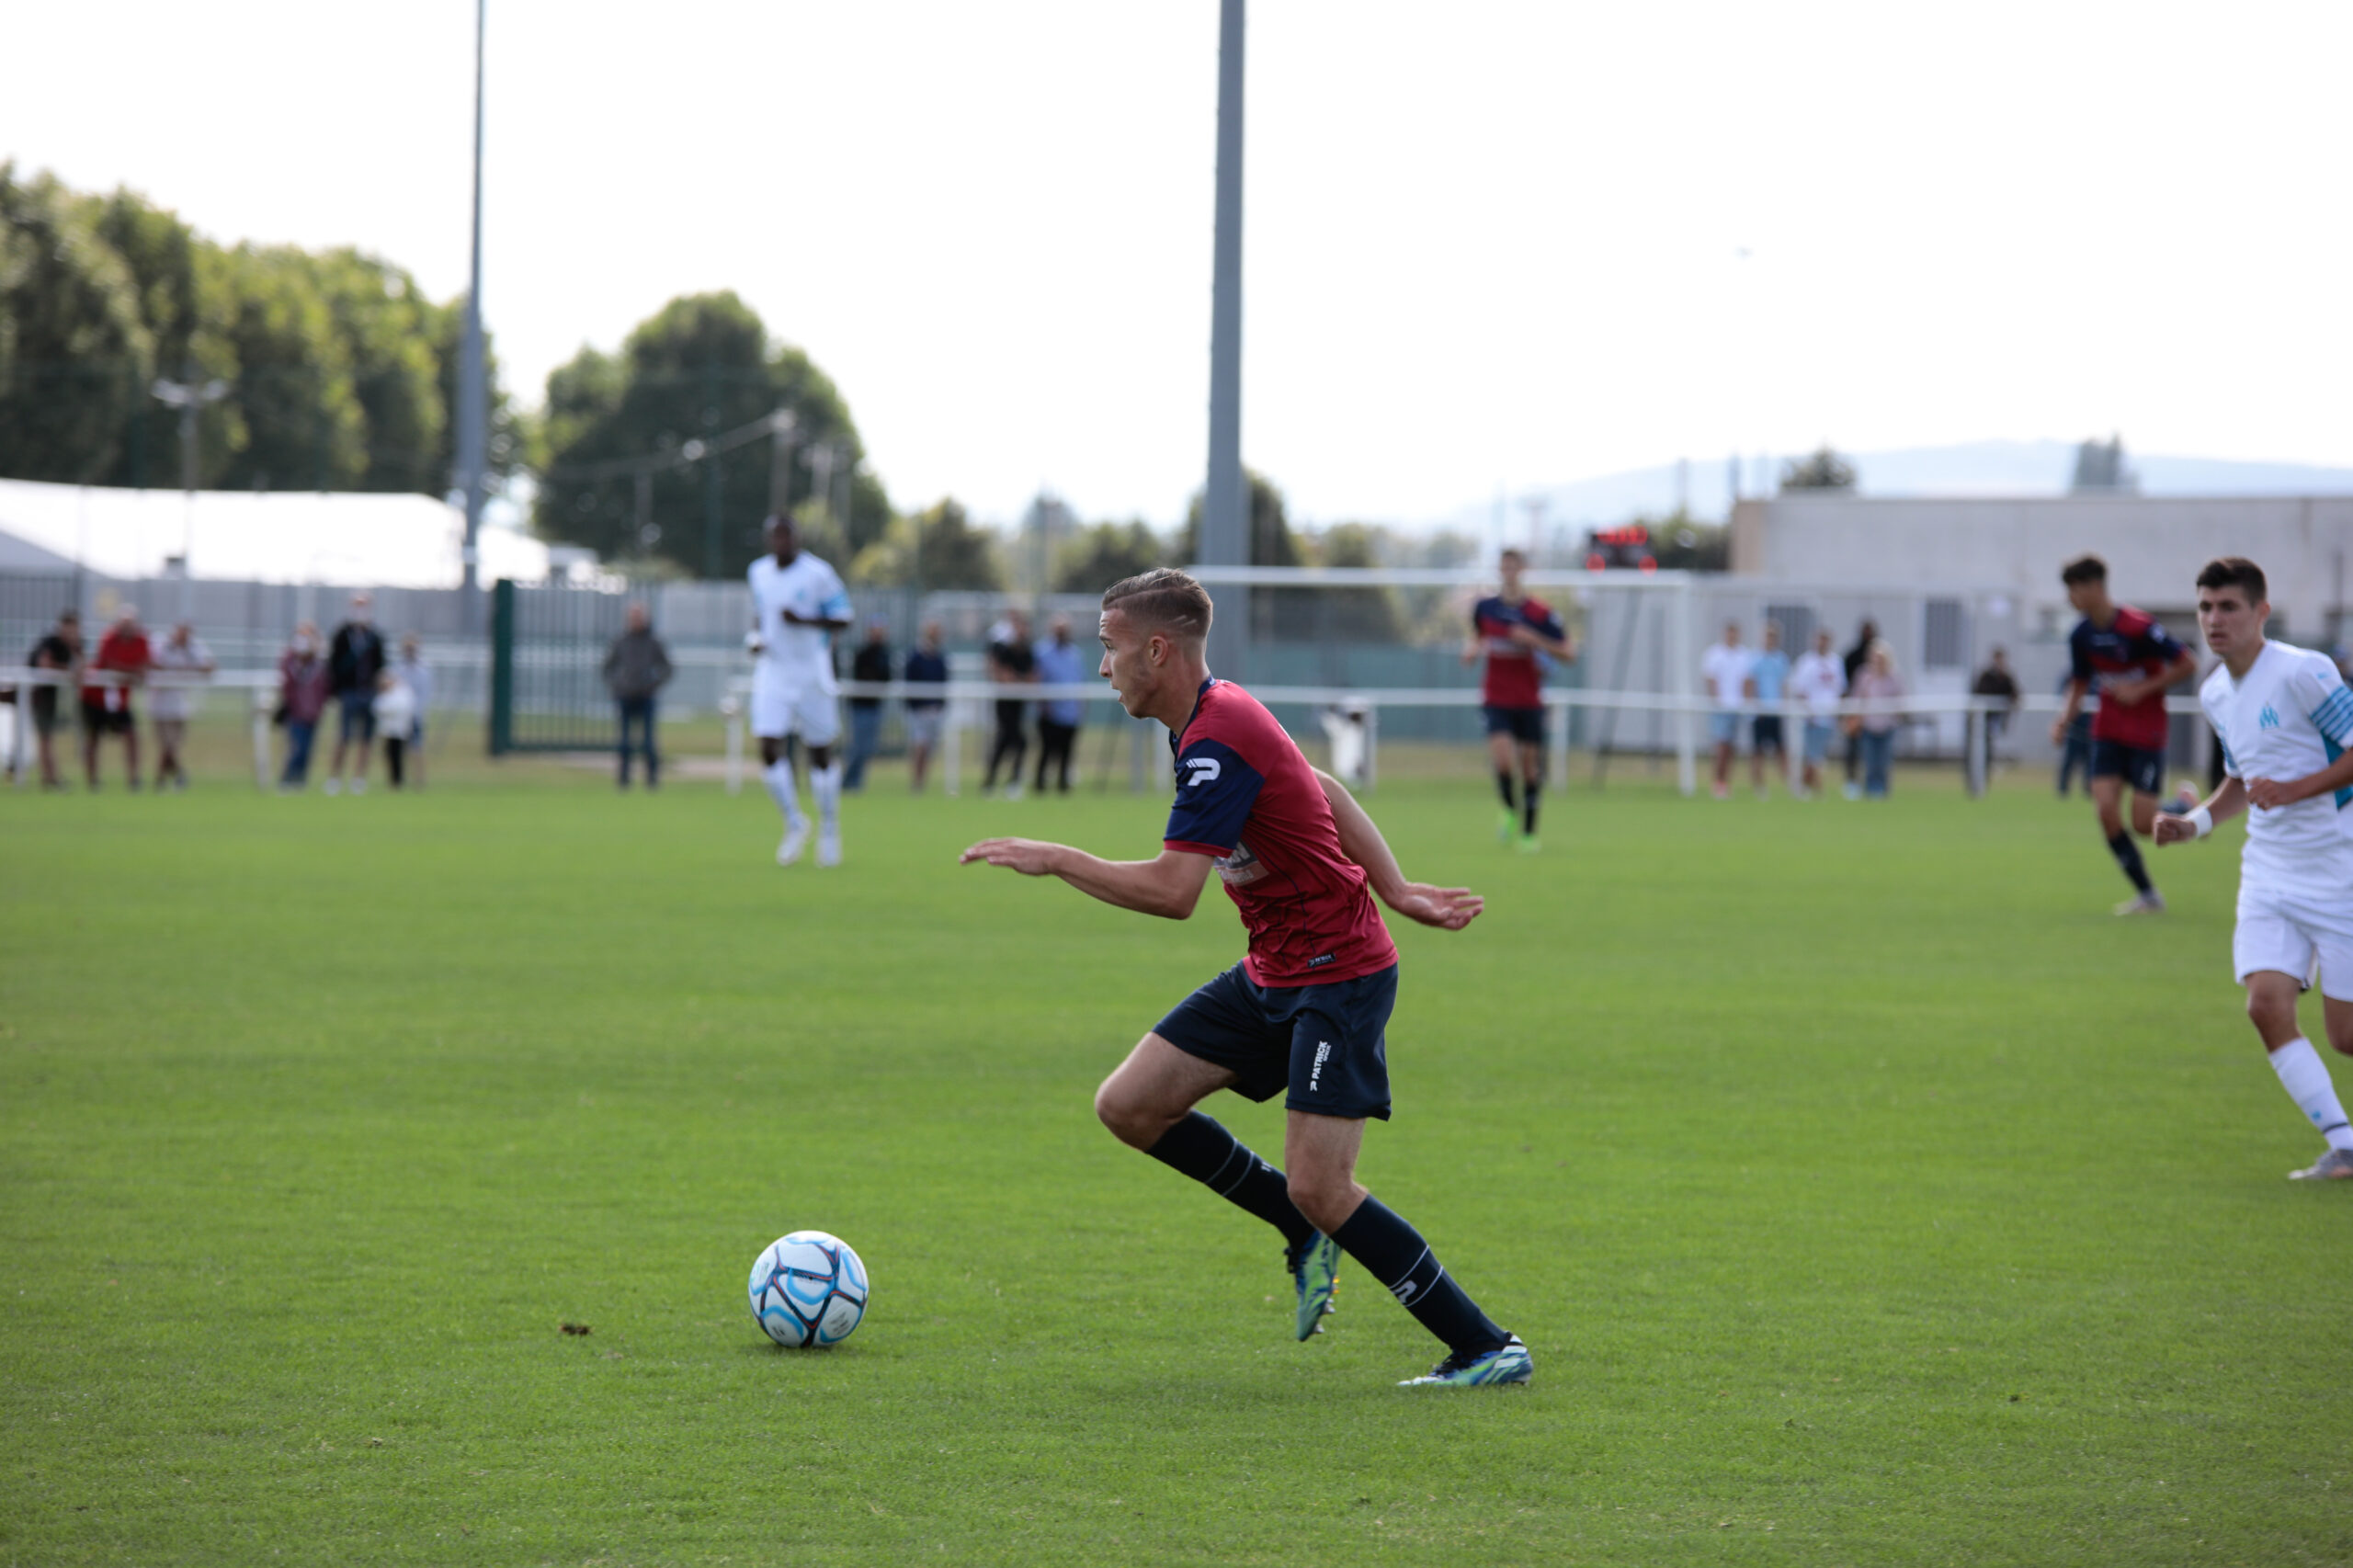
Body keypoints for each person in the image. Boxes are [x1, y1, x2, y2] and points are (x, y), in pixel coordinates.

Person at [961, 568, 1528, 1387]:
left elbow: (1172, 893)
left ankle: (1485, 1345)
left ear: (1158, 650)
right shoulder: (1208, 717)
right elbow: (1320, 783)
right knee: (1129, 1105)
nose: (1101, 666)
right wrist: (1397, 887)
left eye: (1109, 648)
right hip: (1274, 972)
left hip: (1339, 975)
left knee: (1322, 1185)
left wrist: (1057, 858)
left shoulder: (1218, 731)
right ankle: (1299, 1231)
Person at [2154, 557, 2353, 1181]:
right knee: (2266, 1007)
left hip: (2338, 869)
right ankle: (2345, 1145)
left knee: (2345, 1036)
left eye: (2229, 607)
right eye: (2206, 608)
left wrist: (2295, 790)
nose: (2215, 620)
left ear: (2261, 612)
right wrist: (2197, 825)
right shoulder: (2214, 691)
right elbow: (2241, 781)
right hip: (2268, 873)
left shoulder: (2304, 671)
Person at [2050, 554, 2197, 915]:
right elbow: (2081, 683)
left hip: (2146, 732)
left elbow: (2187, 663)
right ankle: (2148, 895)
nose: (2070, 598)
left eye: (2074, 589)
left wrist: (2143, 688)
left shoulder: (2138, 627)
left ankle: (2185, 810)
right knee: (2105, 810)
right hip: (2108, 731)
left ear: (2095, 587)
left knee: (2143, 824)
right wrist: (2064, 720)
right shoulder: (2081, 635)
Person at [748, 514, 852, 866]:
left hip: (811, 671)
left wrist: (805, 620)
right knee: (767, 745)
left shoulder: (818, 573)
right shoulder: (758, 572)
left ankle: (829, 827)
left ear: (797, 538)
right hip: (774, 671)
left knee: (820, 754)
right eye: (775, 537)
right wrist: (756, 639)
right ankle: (794, 821)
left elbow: (844, 617)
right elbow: (761, 615)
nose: (781, 543)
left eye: (786, 536)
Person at [1461, 548, 1573, 849]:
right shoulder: (1485, 608)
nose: (1509, 572)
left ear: (1523, 570)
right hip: (1496, 697)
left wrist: (1535, 641)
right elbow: (1476, 637)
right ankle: (1510, 809)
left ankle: (1529, 833)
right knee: (1503, 761)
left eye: (1514, 566)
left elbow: (1569, 653)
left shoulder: (1539, 613)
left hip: (1529, 700)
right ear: (1500, 570)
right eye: (1504, 566)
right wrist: (1471, 651)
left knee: (1531, 768)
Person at [603, 603, 673, 790]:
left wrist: (653, 685)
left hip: (646, 696)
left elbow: (667, 668)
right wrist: (618, 685)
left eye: (639, 617)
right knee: (624, 741)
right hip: (625, 696)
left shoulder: (653, 642)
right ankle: (624, 780)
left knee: (648, 742)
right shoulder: (621, 641)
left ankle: (652, 780)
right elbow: (607, 667)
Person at [82, 605, 150, 790]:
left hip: (119, 700)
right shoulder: (109, 638)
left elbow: (144, 665)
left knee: (131, 736)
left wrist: (131, 673)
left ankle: (134, 779)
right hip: (96, 697)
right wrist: (131, 672)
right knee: (93, 738)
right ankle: (93, 781)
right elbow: (108, 663)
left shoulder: (141, 640)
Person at [324, 594, 386, 795]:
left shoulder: (374, 636)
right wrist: (335, 691)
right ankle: (335, 777)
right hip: (348, 692)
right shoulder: (343, 634)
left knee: (366, 739)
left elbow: (380, 666)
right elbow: (333, 665)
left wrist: (378, 689)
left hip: (368, 692)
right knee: (343, 736)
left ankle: (359, 778)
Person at [147, 620, 215, 791]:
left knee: (172, 746)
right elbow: (151, 663)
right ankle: (176, 776)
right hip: (159, 705)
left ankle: (163, 780)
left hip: (180, 706)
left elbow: (209, 666)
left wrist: (188, 668)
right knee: (167, 746)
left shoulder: (193, 648)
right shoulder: (162, 645)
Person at [24, 608, 81, 790]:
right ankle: (49, 778)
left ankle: (51, 777)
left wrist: (75, 651)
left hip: (52, 694)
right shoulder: (50, 642)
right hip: (39, 693)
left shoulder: (72, 645)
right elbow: (44, 665)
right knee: (45, 737)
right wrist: (68, 670)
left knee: (48, 737)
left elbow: (81, 670)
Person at [983, 608, 1036, 799]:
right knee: (1016, 742)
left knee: (1005, 743)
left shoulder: (1027, 651)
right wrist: (1017, 679)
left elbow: (1032, 678)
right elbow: (1002, 676)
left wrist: (1017, 678)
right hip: (1004, 704)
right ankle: (1004, 783)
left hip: (1018, 704)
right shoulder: (1004, 649)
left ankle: (994, 784)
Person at [1033, 614, 1086, 795]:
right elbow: (1038, 681)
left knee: (1067, 752)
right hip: (1050, 712)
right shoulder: (1041, 652)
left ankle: (1063, 785)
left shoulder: (1075, 654)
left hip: (1070, 713)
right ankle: (1039, 785)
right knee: (1047, 750)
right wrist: (1044, 706)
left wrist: (1080, 708)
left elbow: (1079, 682)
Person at [1790, 628, 1846, 800]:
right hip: (1812, 718)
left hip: (1829, 718)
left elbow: (1841, 688)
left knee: (1818, 757)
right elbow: (1798, 689)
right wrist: (1808, 711)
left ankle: (1807, 788)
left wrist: (1839, 713)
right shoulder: (1806, 662)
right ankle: (1812, 789)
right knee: (1813, 756)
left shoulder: (1836, 662)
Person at [1701, 621, 1753, 801]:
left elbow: (1747, 681)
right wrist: (1717, 701)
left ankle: (1726, 782)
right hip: (1721, 708)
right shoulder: (1715, 654)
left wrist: (1746, 702)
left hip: (1737, 708)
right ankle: (1718, 782)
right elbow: (1711, 679)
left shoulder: (1744, 655)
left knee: (1731, 748)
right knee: (1721, 746)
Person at [276, 623, 330, 790]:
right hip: (295, 712)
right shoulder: (290, 662)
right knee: (296, 747)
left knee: (307, 750)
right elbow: (286, 684)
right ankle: (287, 779)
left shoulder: (319, 665)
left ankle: (300, 781)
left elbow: (326, 687)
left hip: (313, 713)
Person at [1850, 641, 1904, 798]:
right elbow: (1856, 698)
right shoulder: (1864, 675)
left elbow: (1901, 698)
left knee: (1884, 763)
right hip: (1868, 726)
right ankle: (1870, 792)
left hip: (1887, 726)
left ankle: (1883, 792)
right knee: (1870, 762)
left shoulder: (1894, 676)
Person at [844, 621, 893, 792]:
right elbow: (863, 676)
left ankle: (856, 782)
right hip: (860, 706)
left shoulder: (884, 654)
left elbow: (886, 678)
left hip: (875, 706)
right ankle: (848, 781)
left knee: (868, 748)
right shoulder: (863, 653)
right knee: (857, 746)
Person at [1745, 620, 1791, 798]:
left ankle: (1790, 785)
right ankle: (1759, 787)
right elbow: (1750, 684)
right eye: (1767, 636)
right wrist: (1754, 707)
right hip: (1760, 713)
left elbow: (1783, 685)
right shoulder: (1755, 658)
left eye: (1773, 636)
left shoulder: (1781, 659)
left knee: (1782, 751)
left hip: (1776, 711)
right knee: (1757, 752)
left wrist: (1784, 706)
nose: (1770, 639)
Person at [904, 621, 949, 793]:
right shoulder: (916, 656)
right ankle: (916, 782)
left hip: (935, 710)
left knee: (929, 748)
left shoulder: (940, 657)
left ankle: (922, 782)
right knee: (919, 746)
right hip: (919, 710)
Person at [1842, 618, 1879, 796]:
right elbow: (1850, 690)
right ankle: (1852, 783)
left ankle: (1875, 786)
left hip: (1876, 718)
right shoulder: (1854, 660)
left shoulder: (1883, 665)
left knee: (1874, 755)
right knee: (1853, 751)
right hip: (1857, 713)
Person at [393, 633, 432, 790]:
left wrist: (415, 711)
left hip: (415, 714)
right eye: (407, 648)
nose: (409, 651)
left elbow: (425, 693)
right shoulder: (397, 669)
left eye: (412, 648)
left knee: (417, 747)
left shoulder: (424, 670)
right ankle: (397, 780)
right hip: (398, 716)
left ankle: (419, 780)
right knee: (397, 749)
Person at [1971, 646, 2021, 761]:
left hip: (2000, 717)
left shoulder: (2006, 677)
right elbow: (1979, 692)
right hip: (1985, 717)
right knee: (1983, 743)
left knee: (1997, 741)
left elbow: (2015, 693)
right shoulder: (1986, 676)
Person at [373, 668, 417, 790]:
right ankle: (393, 780)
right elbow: (377, 708)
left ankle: (399, 780)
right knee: (389, 755)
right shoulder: (384, 694)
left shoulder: (403, 692)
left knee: (398, 755)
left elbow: (402, 708)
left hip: (400, 731)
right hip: (388, 731)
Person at [2053, 669, 2093, 797]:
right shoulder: (2069, 677)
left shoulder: (2097, 677)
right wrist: (2062, 724)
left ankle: (2088, 789)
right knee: (2069, 761)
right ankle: (2063, 789)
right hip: (2074, 728)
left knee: (2090, 762)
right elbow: (2060, 697)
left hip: (2091, 729)